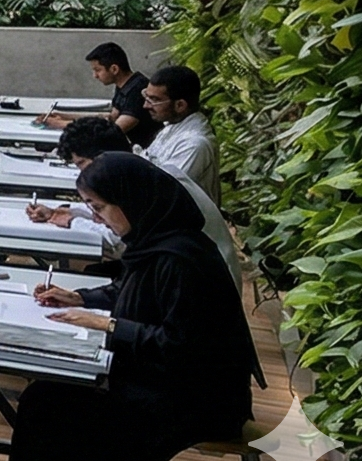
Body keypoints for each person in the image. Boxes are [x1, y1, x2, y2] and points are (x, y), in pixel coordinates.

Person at [0, 152, 257, 461]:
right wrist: (80, 296)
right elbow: (131, 292)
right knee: (44, 399)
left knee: (60, 415)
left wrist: (109, 326)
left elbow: (180, 346)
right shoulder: (157, 240)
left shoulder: (182, 259)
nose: (97, 218)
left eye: (100, 208)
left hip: (196, 399)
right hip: (162, 380)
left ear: (132, 199)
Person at [29, 117, 237, 282]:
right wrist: (68, 212)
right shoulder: (142, 172)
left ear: (103, 157)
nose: (82, 173)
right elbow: (114, 215)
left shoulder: (148, 187)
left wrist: (73, 220)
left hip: (199, 285)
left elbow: (120, 243)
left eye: (81, 164)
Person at [38, 40, 155, 147]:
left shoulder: (137, 90)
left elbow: (114, 130)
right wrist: (63, 116)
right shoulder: (125, 85)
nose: (95, 76)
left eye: (98, 70)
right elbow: (109, 118)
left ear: (114, 69)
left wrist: (60, 124)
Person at [140, 65, 217, 199]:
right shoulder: (172, 125)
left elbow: (164, 191)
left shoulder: (194, 144)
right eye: (147, 98)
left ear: (180, 105)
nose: (146, 106)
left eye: (154, 100)